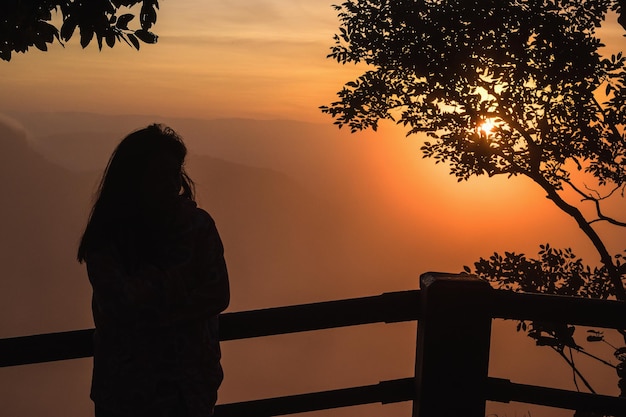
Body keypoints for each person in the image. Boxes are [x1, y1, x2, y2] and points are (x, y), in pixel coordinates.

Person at [77, 124, 230, 417]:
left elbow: (218, 295)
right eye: (160, 176)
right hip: (129, 395)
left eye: (174, 174)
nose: (171, 185)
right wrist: (181, 282)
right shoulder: (108, 237)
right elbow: (119, 306)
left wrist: (149, 298)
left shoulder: (198, 227)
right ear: (134, 180)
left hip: (190, 392)